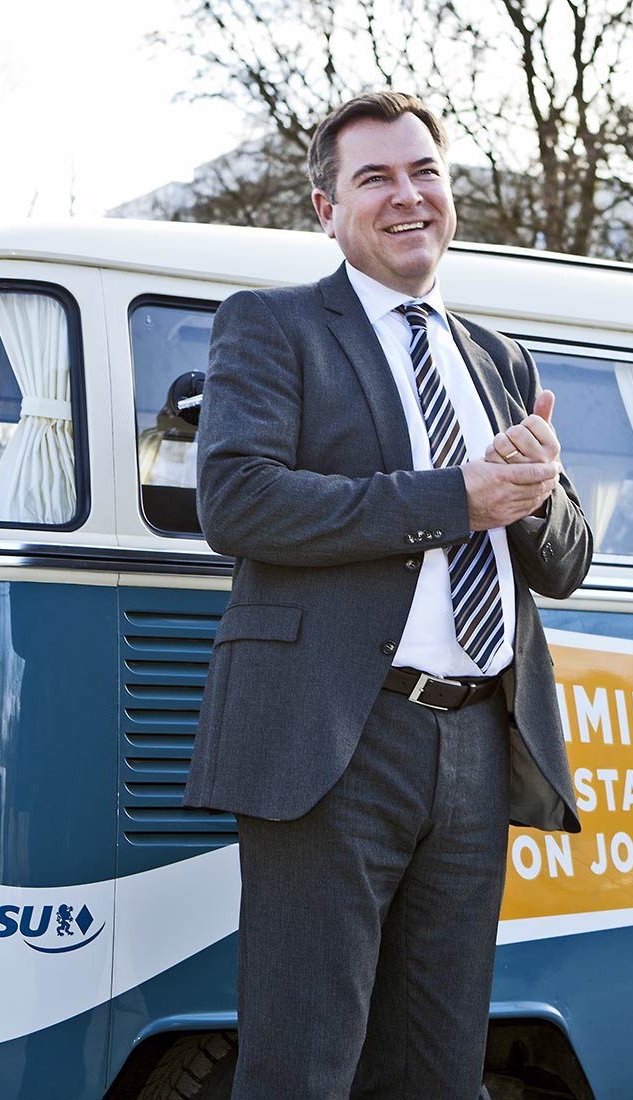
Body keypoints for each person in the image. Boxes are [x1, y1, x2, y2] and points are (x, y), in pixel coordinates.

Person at [183, 91, 593, 1099]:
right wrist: (456, 495)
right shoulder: (272, 327)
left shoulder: (498, 359)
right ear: (326, 208)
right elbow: (237, 499)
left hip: (477, 742)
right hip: (334, 741)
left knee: (436, 1070)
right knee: (303, 1063)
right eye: (376, 178)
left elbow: (568, 561)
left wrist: (528, 491)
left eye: (425, 173)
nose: (408, 195)